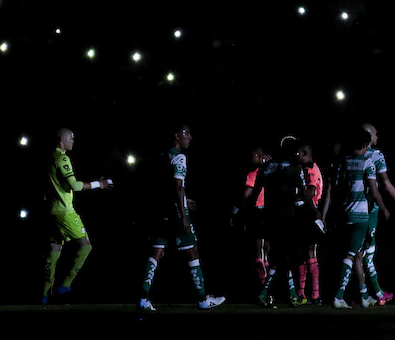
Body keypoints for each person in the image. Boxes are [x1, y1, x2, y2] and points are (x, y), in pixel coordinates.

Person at [137, 125, 225, 311]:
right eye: (187, 133)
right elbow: (178, 187)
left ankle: (143, 299)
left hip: (161, 212)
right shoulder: (180, 157)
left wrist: (184, 199)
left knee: (156, 254)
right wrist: (184, 215)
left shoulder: (161, 156)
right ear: (176, 136)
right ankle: (203, 300)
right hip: (175, 214)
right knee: (193, 252)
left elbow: (162, 187)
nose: (190, 137)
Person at [240, 135, 321, 308]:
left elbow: (256, 192)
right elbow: (305, 193)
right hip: (288, 217)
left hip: (270, 217)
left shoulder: (267, 167)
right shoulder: (294, 168)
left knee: (279, 257)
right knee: (285, 256)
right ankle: (277, 295)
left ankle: (282, 295)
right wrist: (314, 211)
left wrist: (247, 213)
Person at [43, 127, 112, 305]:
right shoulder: (63, 158)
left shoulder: (49, 156)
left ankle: (44, 296)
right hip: (65, 212)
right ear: (62, 140)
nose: (73, 141)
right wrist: (99, 184)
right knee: (86, 246)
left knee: (53, 251)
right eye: (71, 138)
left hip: (50, 211)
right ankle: (64, 286)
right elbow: (74, 185)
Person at [322, 126, 389, 309]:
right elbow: (374, 192)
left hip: (344, 214)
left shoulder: (342, 162)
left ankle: (364, 295)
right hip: (361, 216)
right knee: (352, 255)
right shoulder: (367, 163)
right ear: (366, 144)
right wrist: (384, 208)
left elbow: (334, 189)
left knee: (356, 254)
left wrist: (329, 214)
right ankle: (339, 296)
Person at [357, 123, 395, 306]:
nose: (377, 137)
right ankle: (372, 293)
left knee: (359, 251)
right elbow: (385, 184)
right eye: (375, 134)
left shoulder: (351, 156)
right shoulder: (376, 156)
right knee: (365, 252)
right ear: (369, 135)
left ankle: (372, 292)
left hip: (352, 207)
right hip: (370, 209)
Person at [230, 145, 270, 293]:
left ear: (260, 157)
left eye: (253, 155)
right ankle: (268, 289)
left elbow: (246, 195)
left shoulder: (255, 173)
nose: (250, 158)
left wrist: (235, 212)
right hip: (270, 214)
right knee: (266, 253)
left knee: (258, 254)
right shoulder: (271, 171)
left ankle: (265, 290)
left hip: (259, 214)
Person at [297, 141, 324, 304]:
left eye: (298, 153)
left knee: (305, 253)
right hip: (313, 212)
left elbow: (312, 190)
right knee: (308, 253)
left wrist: (298, 194)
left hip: (308, 213)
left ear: (305, 153)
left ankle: (308, 294)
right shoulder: (315, 167)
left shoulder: (308, 169)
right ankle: (311, 294)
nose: (296, 157)